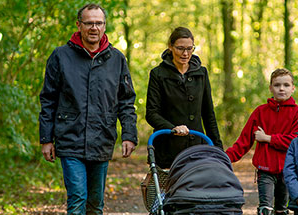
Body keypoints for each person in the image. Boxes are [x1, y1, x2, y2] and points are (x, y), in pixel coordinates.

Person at [38, 3, 137, 215]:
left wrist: (129, 134)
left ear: (104, 26)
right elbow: (48, 99)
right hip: (69, 138)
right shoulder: (60, 56)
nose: (94, 27)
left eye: (99, 23)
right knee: (77, 199)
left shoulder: (117, 59)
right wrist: (46, 138)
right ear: (79, 25)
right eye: (89, 23)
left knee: (95, 204)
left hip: (102, 138)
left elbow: (126, 100)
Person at [146, 26, 223, 172]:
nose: (185, 53)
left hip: (197, 148)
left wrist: (218, 149)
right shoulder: (158, 74)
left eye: (190, 48)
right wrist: (172, 128)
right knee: (169, 192)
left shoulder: (202, 73)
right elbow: (152, 114)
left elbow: (208, 114)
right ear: (170, 47)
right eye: (180, 48)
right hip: (168, 148)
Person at [224, 69, 298, 215]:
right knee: (265, 208)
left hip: (288, 170)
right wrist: (225, 158)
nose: (281, 88)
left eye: (286, 85)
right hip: (265, 169)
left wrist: (268, 138)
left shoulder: (297, 113)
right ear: (270, 88)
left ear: (293, 88)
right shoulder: (260, 112)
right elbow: (244, 141)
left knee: (282, 209)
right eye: (277, 85)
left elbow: (295, 141)